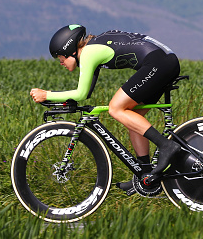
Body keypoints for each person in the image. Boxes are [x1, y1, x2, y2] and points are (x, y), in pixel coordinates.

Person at [30, 24, 181, 194]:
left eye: (60, 57)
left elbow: (80, 93)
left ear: (71, 50)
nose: (60, 63)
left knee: (115, 108)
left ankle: (166, 145)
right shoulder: (93, 48)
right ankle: (145, 175)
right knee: (133, 118)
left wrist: (47, 95)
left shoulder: (89, 53)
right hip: (165, 61)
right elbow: (86, 94)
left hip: (159, 63)